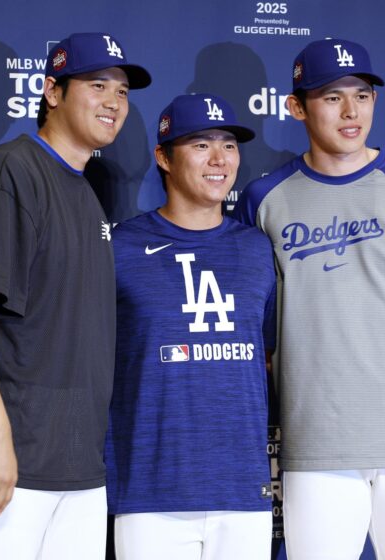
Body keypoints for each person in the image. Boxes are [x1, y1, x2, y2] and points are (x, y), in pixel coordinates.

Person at [233, 38, 385, 559]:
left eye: (362, 95)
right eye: (332, 97)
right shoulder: (263, 199)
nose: (351, 111)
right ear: (296, 107)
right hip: (315, 447)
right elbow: (254, 332)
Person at [0, 32, 150, 559]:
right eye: (97, 85)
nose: (113, 101)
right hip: (4, 459)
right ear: (53, 92)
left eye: (122, 91)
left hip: (76, 465)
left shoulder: (85, 191)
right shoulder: (8, 172)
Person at [105, 93, 277, 560]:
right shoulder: (120, 247)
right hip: (150, 493)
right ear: (164, 157)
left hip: (243, 492)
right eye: (201, 145)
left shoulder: (258, 249)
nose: (220, 159)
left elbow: (269, 355)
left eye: (229, 145)